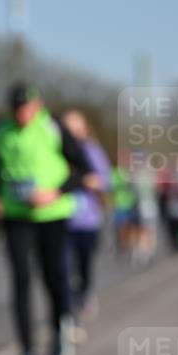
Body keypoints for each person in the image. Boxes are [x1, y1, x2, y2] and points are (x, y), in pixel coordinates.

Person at [0, 84, 90, 355]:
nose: (22, 115)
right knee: (20, 278)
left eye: (27, 108)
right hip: (16, 215)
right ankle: (28, 350)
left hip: (52, 214)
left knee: (53, 275)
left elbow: (80, 168)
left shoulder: (53, 127)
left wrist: (55, 192)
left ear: (37, 104)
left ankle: (60, 328)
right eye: (17, 109)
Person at [60, 110, 111, 335]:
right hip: (62, 218)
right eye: (67, 126)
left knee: (84, 266)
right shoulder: (57, 151)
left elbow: (104, 181)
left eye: (75, 126)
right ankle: (71, 318)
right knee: (65, 269)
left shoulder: (93, 151)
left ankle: (86, 293)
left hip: (88, 219)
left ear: (84, 127)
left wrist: (92, 182)